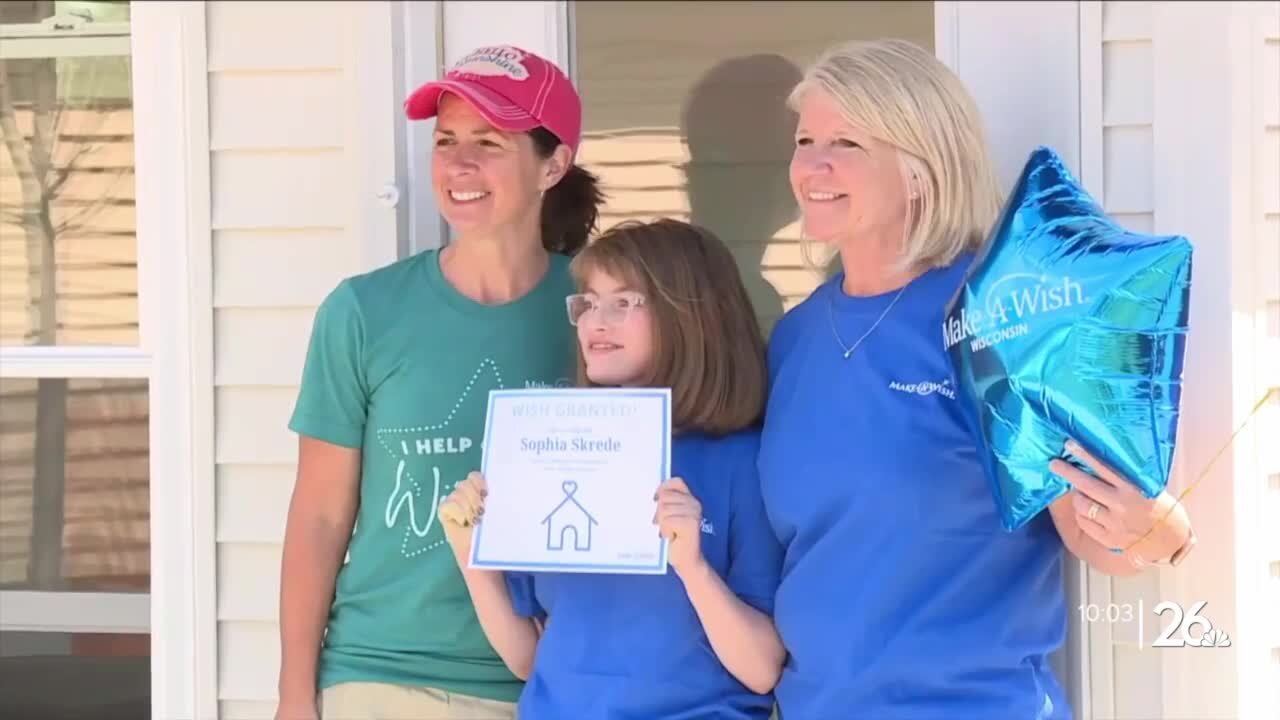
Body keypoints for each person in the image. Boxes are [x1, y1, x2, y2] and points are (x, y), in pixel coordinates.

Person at [757, 38, 1197, 719]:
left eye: (845, 143)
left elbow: (1087, 531)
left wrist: (1157, 533)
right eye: (804, 138)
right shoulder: (794, 338)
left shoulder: (993, 318)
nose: (811, 165)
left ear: (919, 169)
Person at [275, 45, 604, 720]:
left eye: (489, 142)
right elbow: (319, 516)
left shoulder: (596, 312)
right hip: (378, 676)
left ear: (554, 164)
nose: (459, 164)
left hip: (547, 684)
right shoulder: (365, 310)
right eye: (446, 140)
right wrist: (293, 695)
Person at [437, 219, 787, 720]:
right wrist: (471, 555)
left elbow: (762, 670)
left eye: (623, 303)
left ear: (692, 316)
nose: (595, 321)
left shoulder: (741, 461)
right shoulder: (555, 449)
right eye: (588, 302)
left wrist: (693, 567)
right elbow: (528, 657)